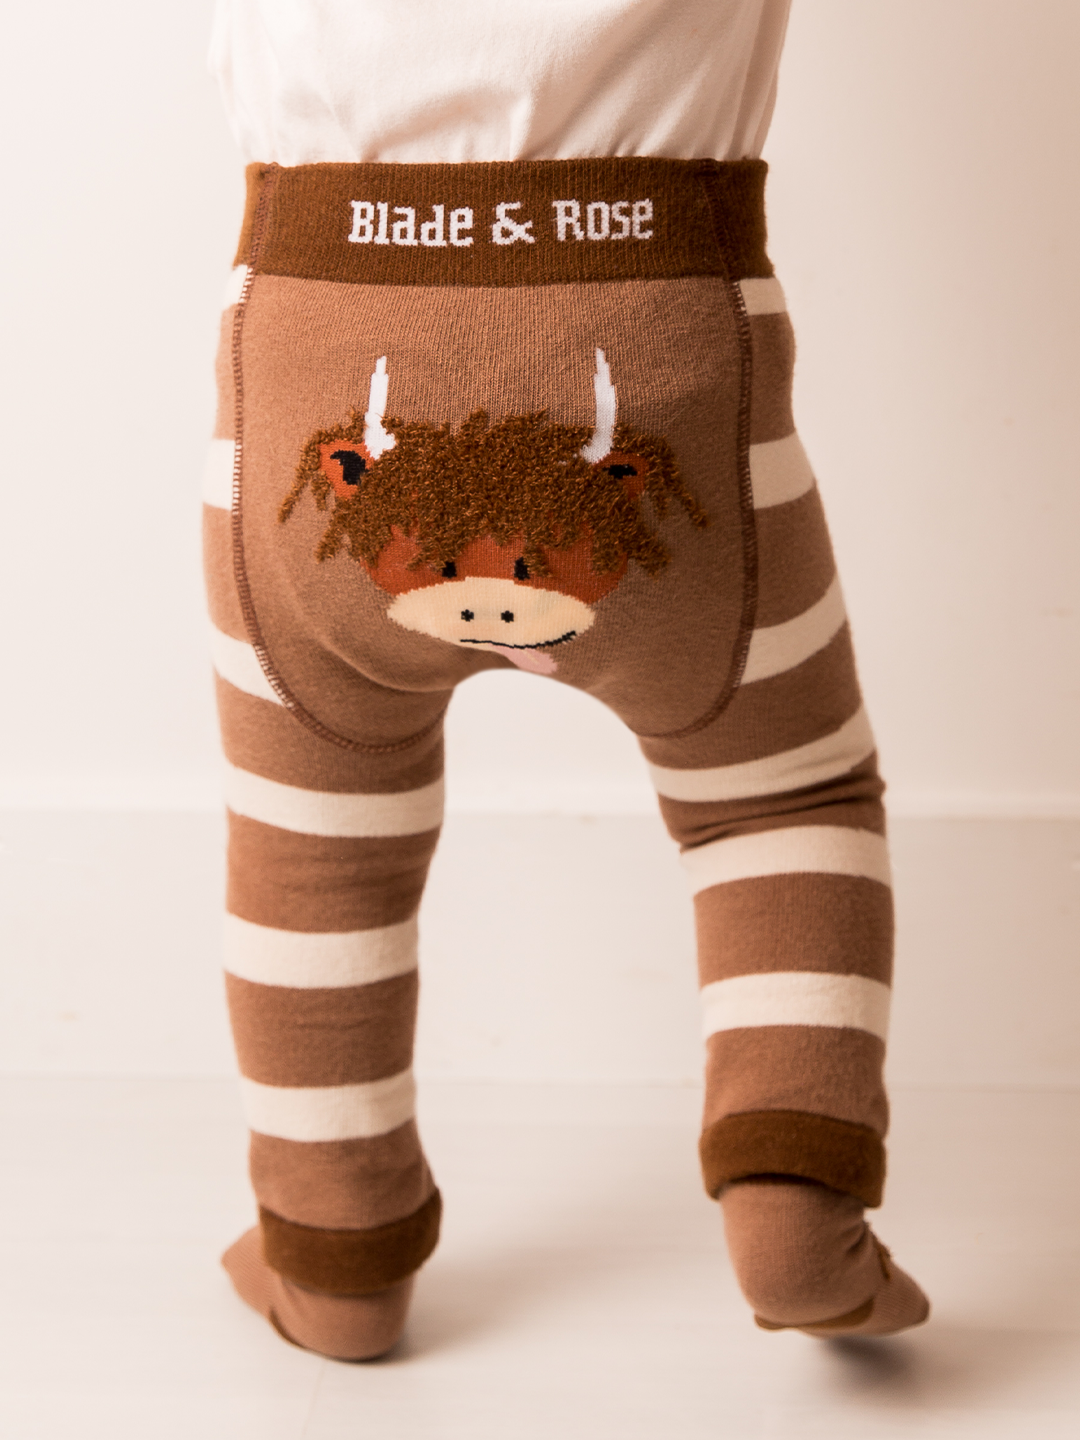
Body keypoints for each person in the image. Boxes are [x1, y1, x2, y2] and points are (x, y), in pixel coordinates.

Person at [204, 0, 930, 1360]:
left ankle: (333, 1257)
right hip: (665, 331)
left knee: (312, 846)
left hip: (316, 328)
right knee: (779, 800)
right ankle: (796, 1201)